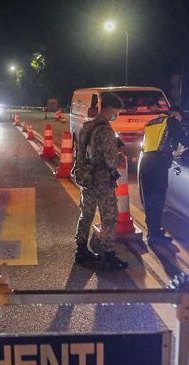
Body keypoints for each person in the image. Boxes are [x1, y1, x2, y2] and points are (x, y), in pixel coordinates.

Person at [72, 93, 129, 270]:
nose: (117, 115)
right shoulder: (106, 130)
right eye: (117, 112)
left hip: (86, 178)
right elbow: (111, 161)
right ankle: (109, 255)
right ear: (110, 109)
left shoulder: (87, 126)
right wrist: (120, 156)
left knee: (86, 215)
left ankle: (81, 250)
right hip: (102, 181)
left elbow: (80, 153)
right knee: (109, 218)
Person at [138, 105, 185, 244]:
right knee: (158, 199)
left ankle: (152, 231)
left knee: (149, 198)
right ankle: (155, 235)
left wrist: (169, 152)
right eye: (180, 119)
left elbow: (150, 145)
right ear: (176, 114)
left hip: (146, 161)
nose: (179, 121)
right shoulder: (171, 121)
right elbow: (184, 139)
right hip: (158, 164)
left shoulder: (151, 123)